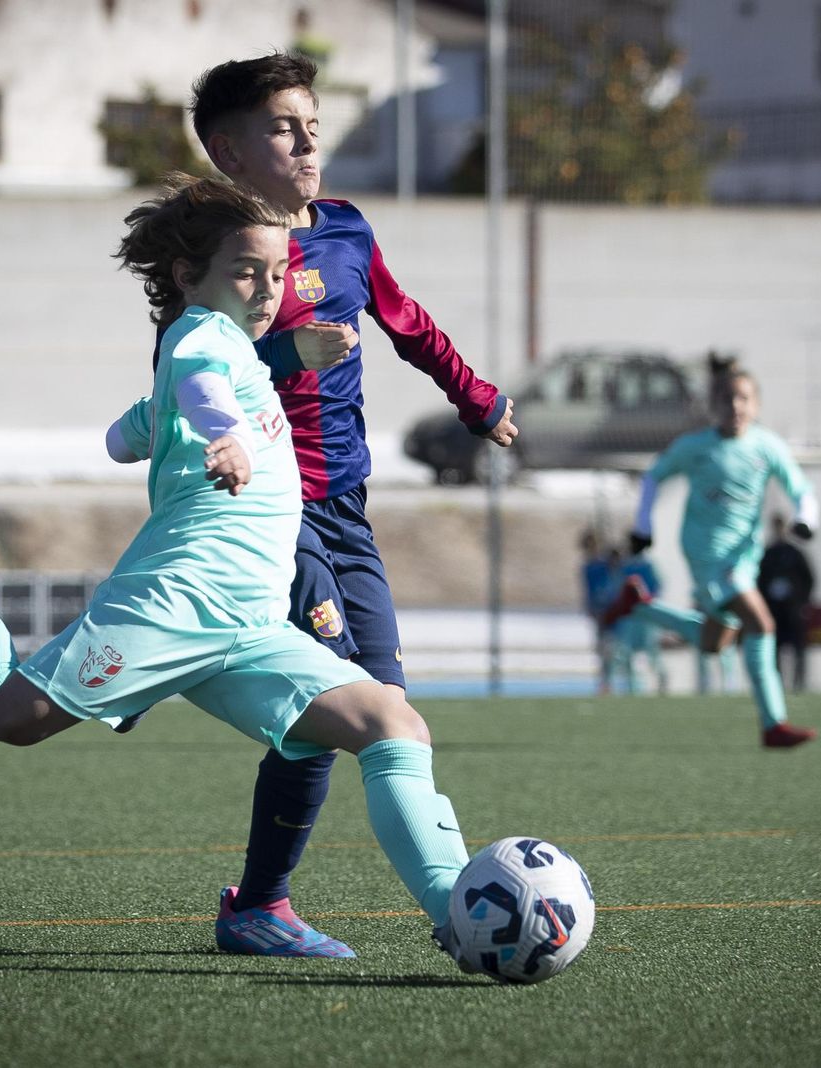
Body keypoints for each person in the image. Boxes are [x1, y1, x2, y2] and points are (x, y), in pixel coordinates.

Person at [0, 176, 474, 969]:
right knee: (6, 716)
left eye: (276, 273)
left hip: (253, 625)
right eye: (246, 272)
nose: (268, 290)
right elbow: (199, 384)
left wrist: (148, 429)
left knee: (391, 724)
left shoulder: (237, 345)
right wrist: (221, 433)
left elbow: (124, 435)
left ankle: (458, 913)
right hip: (175, 604)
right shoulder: (202, 337)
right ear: (187, 277)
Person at [184, 53, 518, 957]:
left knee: (390, 718)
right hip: (272, 517)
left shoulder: (345, 230)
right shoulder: (218, 261)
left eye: (311, 122)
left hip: (349, 512)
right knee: (344, 708)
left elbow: (405, 319)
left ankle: (260, 903)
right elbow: (188, 377)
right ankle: (454, 913)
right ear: (230, 151)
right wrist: (288, 360)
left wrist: (474, 396)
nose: (307, 138)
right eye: (283, 125)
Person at [602, 369, 818, 748]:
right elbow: (654, 477)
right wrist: (642, 527)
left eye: (744, 398)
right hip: (707, 552)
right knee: (761, 624)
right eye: (727, 399)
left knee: (715, 641)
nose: (736, 406)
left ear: (756, 404)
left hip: (743, 557)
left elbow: (800, 487)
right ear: (714, 406)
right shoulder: (696, 446)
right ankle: (773, 724)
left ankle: (640, 606)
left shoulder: (766, 446)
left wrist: (806, 520)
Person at [756, 513, 815, 692]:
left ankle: (799, 683)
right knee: (775, 649)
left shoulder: (795, 553)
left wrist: (803, 601)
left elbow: (809, 579)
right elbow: (759, 580)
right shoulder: (768, 554)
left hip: (793, 608)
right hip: (774, 609)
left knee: (798, 647)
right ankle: (778, 684)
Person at [609, 546, 668, 696]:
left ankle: (662, 680)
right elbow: (618, 590)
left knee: (651, 650)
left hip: (646, 616)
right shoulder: (624, 567)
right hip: (630, 616)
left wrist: (648, 602)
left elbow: (658, 586)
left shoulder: (648, 565)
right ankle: (632, 687)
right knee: (626, 651)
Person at [579, 529, 619, 695]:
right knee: (603, 649)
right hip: (599, 612)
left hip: (612, 610)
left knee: (612, 648)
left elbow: (618, 566)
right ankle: (605, 683)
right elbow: (587, 589)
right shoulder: (587, 566)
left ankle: (610, 681)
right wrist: (589, 608)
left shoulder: (605, 563)